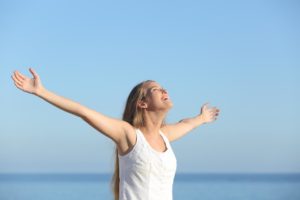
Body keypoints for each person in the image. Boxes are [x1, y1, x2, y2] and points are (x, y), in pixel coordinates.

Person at [11, 68, 220, 200]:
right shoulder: (129, 135)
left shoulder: (165, 136)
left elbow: (187, 123)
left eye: (164, 88)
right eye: (156, 89)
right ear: (142, 103)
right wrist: (41, 92)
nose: (165, 91)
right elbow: (83, 112)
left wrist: (202, 118)